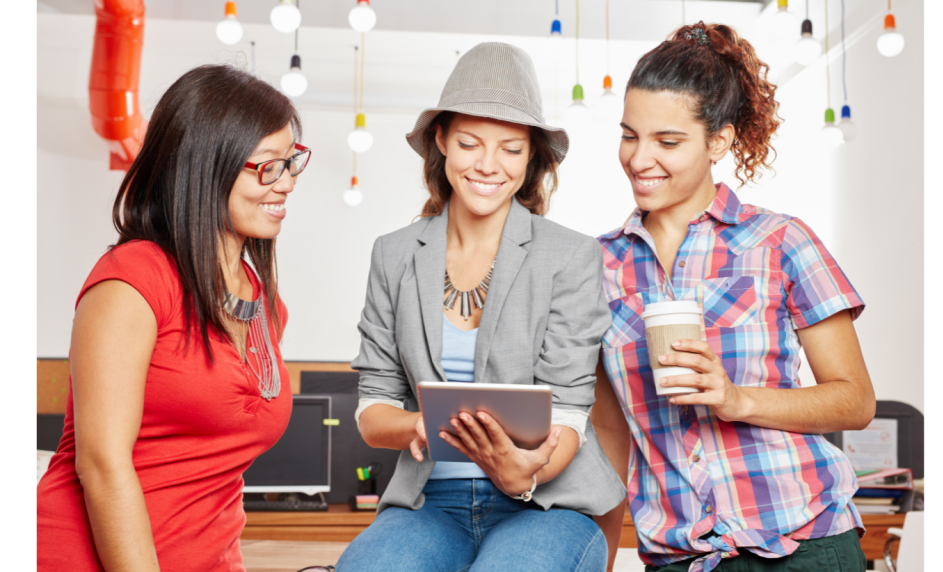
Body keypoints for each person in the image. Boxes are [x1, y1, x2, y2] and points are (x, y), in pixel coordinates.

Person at [590, 23, 874, 572]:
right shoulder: (597, 266)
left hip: (803, 545)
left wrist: (737, 399)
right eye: (630, 135)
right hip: (679, 557)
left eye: (667, 141)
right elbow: (610, 431)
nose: (639, 158)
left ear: (718, 140)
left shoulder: (780, 241)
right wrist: (597, 558)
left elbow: (856, 400)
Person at [337, 42, 624, 572]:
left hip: (544, 502)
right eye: (470, 143)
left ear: (532, 155)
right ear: (441, 140)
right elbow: (373, 411)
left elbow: (566, 412)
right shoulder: (394, 254)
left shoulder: (570, 254)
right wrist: (418, 426)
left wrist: (525, 472)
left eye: (511, 149)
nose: (488, 166)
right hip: (430, 505)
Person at [35, 64, 310, 572]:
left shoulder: (264, 304)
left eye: (292, 162)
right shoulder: (132, 280)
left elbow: (217, 475)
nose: (288, 182)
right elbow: (101, 465)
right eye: (268, 166)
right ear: (204, 166)